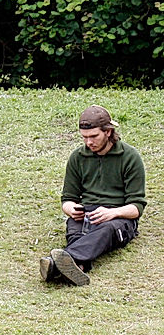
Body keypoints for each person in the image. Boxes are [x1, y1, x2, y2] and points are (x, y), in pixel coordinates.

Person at [40, 105, 146, 286]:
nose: (89, 142)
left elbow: (137, 207)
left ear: (108, 132)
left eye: (93, 136)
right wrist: (71, 209)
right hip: (87, 213)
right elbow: (68, 198)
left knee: (106, 231)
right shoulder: (77, 157)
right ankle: (76, 267)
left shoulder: (130, 157)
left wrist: (112, 213)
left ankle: (57, 264)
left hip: (119, 217)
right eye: (84, 137)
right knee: (75, 230)